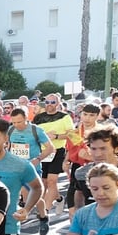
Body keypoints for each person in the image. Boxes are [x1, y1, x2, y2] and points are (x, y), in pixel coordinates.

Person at [6, 107, 55, 234]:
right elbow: (8, 146)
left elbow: (50, 148)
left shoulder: (36, 130)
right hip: (15, 168)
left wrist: (37, 159)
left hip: (32, 168)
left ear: (26, 119)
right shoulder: (10, 130)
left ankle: (43, 217)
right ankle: (13, 220)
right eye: (14, 122)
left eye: (20, 122)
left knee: (35, 196)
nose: (17, 125)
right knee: (14, 193)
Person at [33, 94, 76, 223]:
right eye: (47, 102)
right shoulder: (38, 118)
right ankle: (59, 199)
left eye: (52, 102)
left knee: (52, 181)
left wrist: (56, 136)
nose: (49, 104)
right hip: (42, 152)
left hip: (57, 151)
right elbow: (32, 132)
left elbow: (72, 134)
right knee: (44, 182)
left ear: (58, 103)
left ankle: (44, 213)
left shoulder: (64, 117)